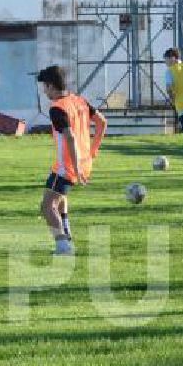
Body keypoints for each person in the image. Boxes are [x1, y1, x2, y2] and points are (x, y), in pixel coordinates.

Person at [36, 65, 107, 255]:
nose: (44, 91)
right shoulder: (79, 100)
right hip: (81, 162)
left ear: (51, 86)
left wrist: (75, 169)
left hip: (67, 166)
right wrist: (93, 150)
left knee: (46, 207)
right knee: (60, 197)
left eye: (44, 86)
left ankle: (62, 246)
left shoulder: (58, 108)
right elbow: (102, 122)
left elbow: (70, 137)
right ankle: (66, 233)